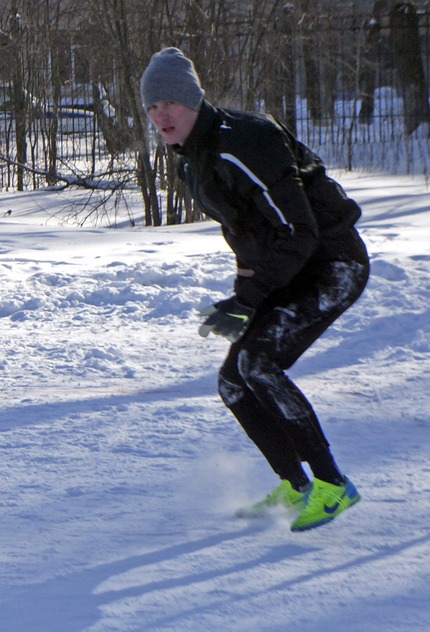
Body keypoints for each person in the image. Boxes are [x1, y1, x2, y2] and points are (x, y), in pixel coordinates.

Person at [143, 47, 370, 531]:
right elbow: (248, 235)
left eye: (170, 103)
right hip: (290, 268)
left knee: (258, 363)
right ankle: (296, 485)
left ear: (194, 102)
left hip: (333, 264)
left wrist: (251, 301)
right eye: (151, 106)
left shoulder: (241, 143)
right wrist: (245, 298)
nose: (161, 114)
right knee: (232, 381)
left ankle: (332, 485)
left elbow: (299, 232)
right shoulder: (194, 159)